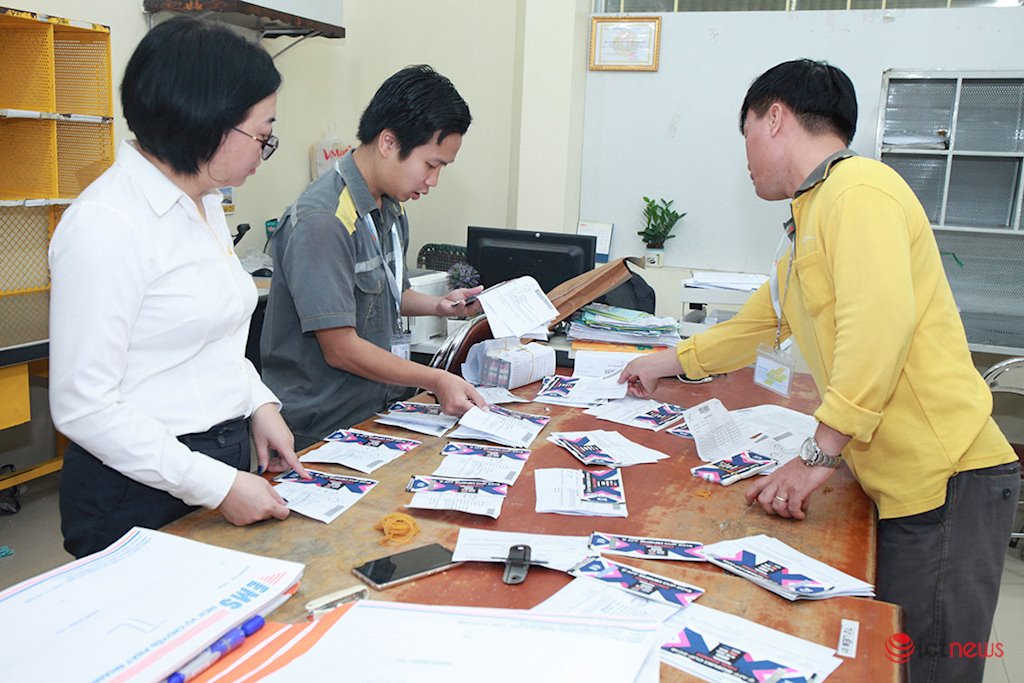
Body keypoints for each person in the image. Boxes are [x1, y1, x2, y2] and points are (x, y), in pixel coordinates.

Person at [620, 59, 1019, 683]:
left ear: (774, 117)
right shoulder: (811, 220)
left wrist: (818, 454)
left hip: (947, 479)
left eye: (746, 131)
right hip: (900, 477)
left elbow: (878, 328)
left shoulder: (859, 192)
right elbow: (754, 327)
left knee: (929, 667)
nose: (746, 157)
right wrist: (662, 362)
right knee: (892, 659)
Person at [49, 16, 309, 559]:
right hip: (137, 488)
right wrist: (215, 485)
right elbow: (84, 407)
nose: (265, 150)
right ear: (208, 122)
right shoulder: (107, 223)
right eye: (262, 135)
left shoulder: (205, 202)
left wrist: (259, 405)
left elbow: (210, 336)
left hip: (221, 457)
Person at [260, 65, 486, 450]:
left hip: (377, 413)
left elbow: (385, 294)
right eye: (431, 165)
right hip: (324, 428)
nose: (433, 181)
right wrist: (436, 379)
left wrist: (439, 306)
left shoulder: (389, 207)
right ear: (388, 142)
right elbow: (341, 346)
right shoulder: (325, 221)